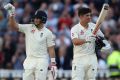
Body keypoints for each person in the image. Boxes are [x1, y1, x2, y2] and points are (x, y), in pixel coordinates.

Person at [4, 3, 57, 80]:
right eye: (35, 18)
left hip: (41, 61)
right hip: (29, 60)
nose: (35, 19)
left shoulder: (48, 32)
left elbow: (51, 49)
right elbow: (13, 26)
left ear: (43, 19)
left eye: (38, 18)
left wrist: (53, 63)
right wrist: (11, 14)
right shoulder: (28, 28)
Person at [71, 7, 111, 80]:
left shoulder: (94, 26)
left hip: (91, 57)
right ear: (80, 16)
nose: (89, 17)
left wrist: (106, 44)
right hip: (79, 57)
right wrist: (86, 39)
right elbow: (75, 41)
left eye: (90, 15)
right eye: (87, 15)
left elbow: (102, 37)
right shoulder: (75, 28)